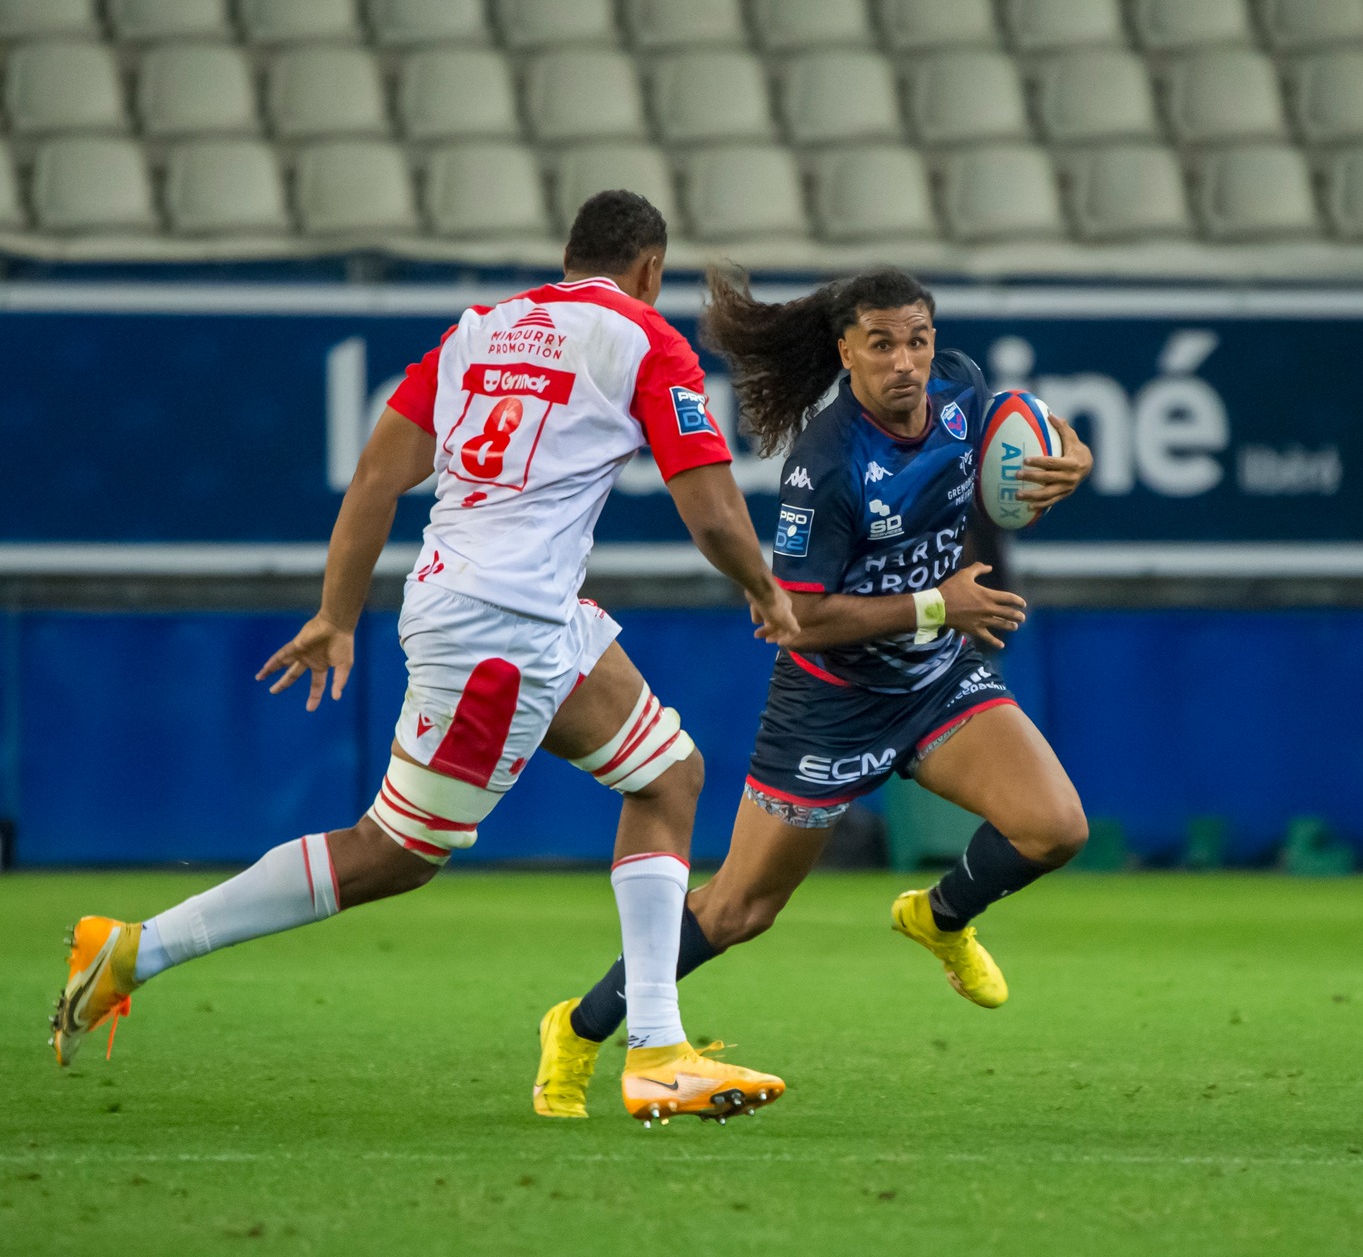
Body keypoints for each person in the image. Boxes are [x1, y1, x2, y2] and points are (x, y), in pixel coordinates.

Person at [52, 191, 800, 1127]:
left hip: (514, 610)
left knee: (668, 774)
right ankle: (136, 948)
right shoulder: (645, 337)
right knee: (396, 852)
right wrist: (763, 588)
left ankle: (655, 1047)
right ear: (649, 270)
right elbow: (714, 511)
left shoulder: (478, 332)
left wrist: (336, 615)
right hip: (502, 632)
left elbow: (376, 475)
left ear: (568, 259)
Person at [530, 266, 1095, 1117]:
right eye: (882, 344)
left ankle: (939, 917)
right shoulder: (827, 463)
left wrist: (1071, 457)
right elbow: (796, 618)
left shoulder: (961, 391)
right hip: (830, 707)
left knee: (1055, 827)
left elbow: (1037, 431)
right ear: (846, 352)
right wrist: (940, 603)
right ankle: (577, 1027)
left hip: (934, 679)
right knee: (738, 910)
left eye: (917, 340)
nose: (905, 361)